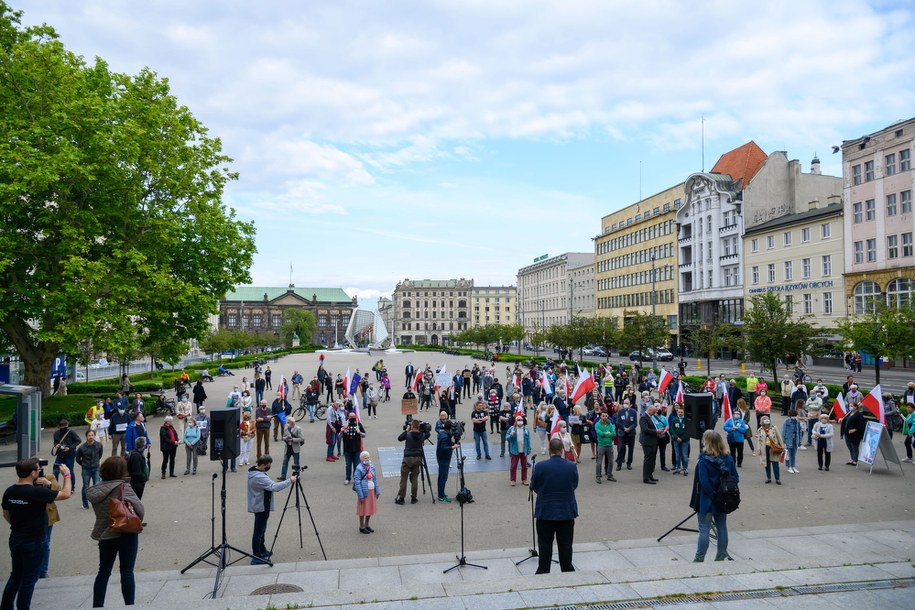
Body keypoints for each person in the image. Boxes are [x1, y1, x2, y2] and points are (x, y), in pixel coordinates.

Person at [2, 459, 71, 608]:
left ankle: (6, 606)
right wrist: (67, 475)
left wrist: (19, 525)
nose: (39, 471)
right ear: (33, 473)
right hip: (34, 541)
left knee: (16, 576)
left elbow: (6, 514)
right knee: (29, 579)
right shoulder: (36, 492)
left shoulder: (9, 491)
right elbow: (66, 494)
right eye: (38, 469)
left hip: (16, 538)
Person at [87, 456, 143, 607]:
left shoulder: (95, 490)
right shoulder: (123, 487)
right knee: (127, 571)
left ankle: (97, 605)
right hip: (126, 532)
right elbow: (139, 509)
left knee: (103, 572)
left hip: (105, 533)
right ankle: (129, 605)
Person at [530, 437, 579, 574]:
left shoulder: (540, 466)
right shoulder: (571, 466)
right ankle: (567, 570)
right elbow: (574, 484)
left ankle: (543, 570)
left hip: (546, 511)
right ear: (562, 450)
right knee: (566, 544)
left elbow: (535, 486)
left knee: (545, 544)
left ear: (549, 450)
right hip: (566, 511)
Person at [690, 430, 738, 562]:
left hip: (707, 499)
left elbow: (704, 482)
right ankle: (721, 553)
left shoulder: (704, 460)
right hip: (724, 498)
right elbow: (735, 477)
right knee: (722, 527)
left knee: (704, 529)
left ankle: (700, 557)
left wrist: (713, 495)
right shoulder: (728, 457)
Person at [246, 455, 295, 564]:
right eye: (268, 465)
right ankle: (256, 556)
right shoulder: (259, 477)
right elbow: (274, 487)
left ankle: (262, 549)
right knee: (258, 531)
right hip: (261, 507)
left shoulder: (254, 472)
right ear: (263, 465)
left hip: (260, 505)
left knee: (262, 530)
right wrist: (290, 480)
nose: (269, 467)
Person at [395, 420, 430, 505]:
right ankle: (414, 498)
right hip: (417, 458)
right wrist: (423, 427)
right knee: (414, 479)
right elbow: (428, 434)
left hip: (407, 458)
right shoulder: (422, 435)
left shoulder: (408, 434)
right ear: (418, 427)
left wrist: (407, 430)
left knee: (404, 479)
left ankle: (402, 498)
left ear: (412, 426)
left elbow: (399, 438)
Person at [353, 451, 381, 534]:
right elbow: (357, 483)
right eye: (365, 458)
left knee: (370, 509)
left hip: (371, 491)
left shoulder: (371, 466)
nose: (367, 459)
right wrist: (360, 495)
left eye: (368, 457)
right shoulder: (359, 468)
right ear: (361, 459)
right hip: (364, 492)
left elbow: (375, 479)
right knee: (362, 510)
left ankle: (367, 525)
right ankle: (361, 526)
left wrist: (377, 490)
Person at [76, 430, 104, 509]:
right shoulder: (81, 448)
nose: (91, 437)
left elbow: (100, 455)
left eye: (92, 435)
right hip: (86, 469)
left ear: (94, 436)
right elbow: (77, 459)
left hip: (96, 468)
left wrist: (96, 463)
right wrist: (84, 464)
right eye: (89, 435)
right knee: (86, 486)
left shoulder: (99, 445)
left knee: (97, 486)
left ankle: (97, 503)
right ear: (86, 437)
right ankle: (85, 504)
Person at [436, 421, 458, 502]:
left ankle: (440, 493)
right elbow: (443, 448)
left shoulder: (442, 433)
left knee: (441, 476)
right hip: (444, 458)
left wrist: (452, 443)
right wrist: (453, 447)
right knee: (443, 478)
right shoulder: (445, 436)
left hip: (441, 457)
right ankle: (441, 496)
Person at [340, 413, 366, 485]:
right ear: (348, 417)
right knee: (348, 465)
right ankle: (347, 478)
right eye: (350, 416)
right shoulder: (344, 425)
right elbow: (338, 438)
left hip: (357, 449)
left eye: (353, 416)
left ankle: (356, 478)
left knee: (356, 465)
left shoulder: (358, 424)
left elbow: (364, 435)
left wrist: (359, 432)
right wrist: (341, 431)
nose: (352, 417)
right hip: (347, 449)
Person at [757, 416, 783, 484]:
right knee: (766, 464)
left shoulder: (774, 428)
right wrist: (759, 449)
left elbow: (779, 438)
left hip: (773, 448)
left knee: (775, 463)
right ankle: (768, 478)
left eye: (768, 420)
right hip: (764, 448)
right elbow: (759, 440)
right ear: (762, 422)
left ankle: (777, 479)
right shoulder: (760, 430)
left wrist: (782, 447)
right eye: (765, 420)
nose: (767, 421)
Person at [507, 415, 531, 486]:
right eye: (518, 420)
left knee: (524, 466)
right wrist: (510, 435)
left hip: (524, 450)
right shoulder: (512, 428)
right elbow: (507, 437)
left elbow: (528, 439)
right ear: (516, 421)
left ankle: (524, 479)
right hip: (515, 451)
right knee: (513, 466)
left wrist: (529, 448)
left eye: (521, 420)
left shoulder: (526, 429)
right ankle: (513, 480)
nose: (520, 421)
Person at [639, 404, 660, 484]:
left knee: (652, 459)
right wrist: (656, 431)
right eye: (653, 412)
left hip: (653, 441)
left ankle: (650, 475)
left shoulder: (650, 417)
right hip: (647, 442)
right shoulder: (643, 417)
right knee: (648, 459)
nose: (654, 414)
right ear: (650, 410)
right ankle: (646, 478)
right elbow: (645, 429)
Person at [840, 401, 865, 465]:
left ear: (856, 407)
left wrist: (855, 429)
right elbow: (845, 420)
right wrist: (841, 420)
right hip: (847, 433)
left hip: (855, 434)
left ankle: (855, 460)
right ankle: (852, 459)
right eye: (849, 406)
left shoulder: (859, 415)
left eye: (851, 406)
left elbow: (861, 424)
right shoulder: (848, 413)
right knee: (850, 447)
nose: (850, 407)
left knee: (854, 447)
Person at [594, 410, 616, 484]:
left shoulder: (610, 424)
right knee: (599, 462)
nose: (605, 417)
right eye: (603, 416)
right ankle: (598, 477)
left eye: (606, 416)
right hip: (601, 445)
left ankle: (609, 475)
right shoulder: (597, 424)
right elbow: (599, 433)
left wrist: (605, 434)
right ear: (600, 416)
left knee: (611, 462)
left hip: (609, 445)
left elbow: (614, 433)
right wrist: (607, 433)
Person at [616, 400, 638, 471]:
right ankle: (619, 464)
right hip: (622, 432)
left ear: (630, 404)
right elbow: (618, 422)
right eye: (624, 403)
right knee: (621, 448)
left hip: (631, 433)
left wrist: (629, 428)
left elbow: (635, 423)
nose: (625, 404)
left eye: (627, 403)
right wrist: (624, 428)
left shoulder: (633, 412)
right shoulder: (620, 411)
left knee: (631, 449)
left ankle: (629, 463)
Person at [669, 405, 689, 475]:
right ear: (677, 412)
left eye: (681, 412)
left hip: (685, 440)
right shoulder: (674, 420)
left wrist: (682, 438)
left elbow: (688, 431)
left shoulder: (687, 420)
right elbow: (672, 429)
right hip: (676, 440)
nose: (680, 413)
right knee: (677, 455)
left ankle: (685, 468)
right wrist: (676, 437)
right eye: (679, 412)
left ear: (684, 412)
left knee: (684, 455)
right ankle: (678, 468)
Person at [782, 409, 803, 474]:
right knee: (788, 453)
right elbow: (784, 431)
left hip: (795, 439)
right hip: (788, 439)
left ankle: (793, 466)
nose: (794, 417)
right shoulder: (787, 421)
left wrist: (800, 440)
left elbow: (800, 431)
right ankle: (789, 466)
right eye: (792, 415)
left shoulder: (797, 422)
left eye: (795, 415)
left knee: (793, 453)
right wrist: (783, 440)